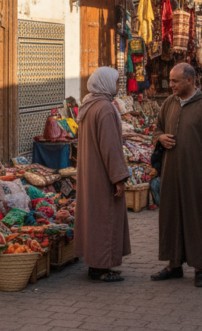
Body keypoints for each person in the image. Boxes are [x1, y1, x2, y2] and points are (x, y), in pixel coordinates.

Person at [151, 63, 202, 288]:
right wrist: (160, 138)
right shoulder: (168, 103)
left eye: (175, 81)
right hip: (172, 175)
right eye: (171, 80)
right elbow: (156, 130)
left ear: (190, 80)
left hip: (197, 176)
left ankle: (200, 268)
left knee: (198, 220)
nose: (171, 84)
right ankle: (174, 266)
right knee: (172, 219)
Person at [74, 67, 131, 282]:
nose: (117, 87)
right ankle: (101, 268)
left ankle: (96, 265)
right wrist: (118, 178)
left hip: (92, 173)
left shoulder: (89, 105)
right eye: (115, 82)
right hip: (103, 176)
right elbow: (110, 148)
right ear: (106, 83)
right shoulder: (105, 108)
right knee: (105, 219)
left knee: (94, 219)